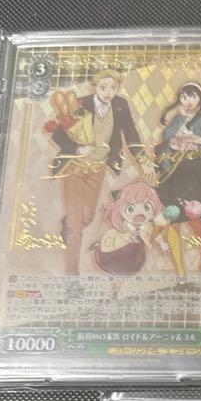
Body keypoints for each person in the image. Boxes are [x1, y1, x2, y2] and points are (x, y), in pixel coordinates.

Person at [48, 70, 153, 274]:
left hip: (98, 169)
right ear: (95, 87)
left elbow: (131, 133)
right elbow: (58, 136)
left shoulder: (120, 106)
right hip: (74, 168)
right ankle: (72, 274)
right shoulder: (80, 104)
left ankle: (68, 222)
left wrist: (143, 161)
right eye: (103, 87)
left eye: (113, 88)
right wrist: (78, 149)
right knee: (76, 226)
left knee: (87, 217)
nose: (108, 92)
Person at [154, 82, 201, 277]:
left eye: (192, 96)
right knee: (173, 220)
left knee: (194, 219)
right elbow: (165, 138)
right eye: (184, 97)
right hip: (173, 172)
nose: (187, 101)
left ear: (200, 99)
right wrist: (174, 140)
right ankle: (180, 270)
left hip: (192, 172)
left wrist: (198, 140)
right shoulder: (178, 117)